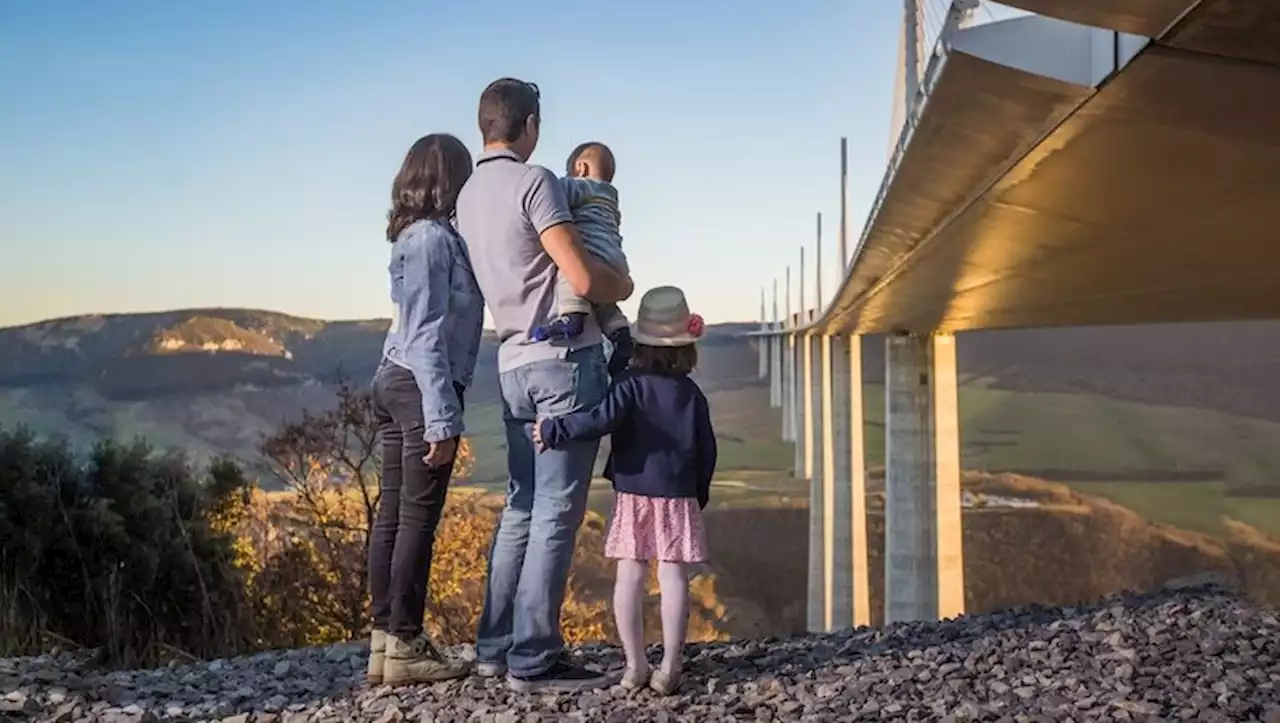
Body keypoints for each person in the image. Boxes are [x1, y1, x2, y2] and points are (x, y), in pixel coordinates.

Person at [455, 77, 634, 692]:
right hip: (562, 361)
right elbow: (581, 274)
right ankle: (534, 657)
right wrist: (624, 289)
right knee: (558, 510)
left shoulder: (467, 195)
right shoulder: (536, 182)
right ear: (528, 125)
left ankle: (493, 647)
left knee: (521, 508)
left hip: (508, 362)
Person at [532, 286, 718, 696]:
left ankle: (635, 665)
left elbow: (598, 420)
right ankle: (670, 666)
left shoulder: (629, 385)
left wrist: (553, 428)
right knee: (674, 578)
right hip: (678, 494)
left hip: (635, 493)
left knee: (629, 577)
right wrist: (695, 496)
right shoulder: (693, 395)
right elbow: (708, 450)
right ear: (685, 347)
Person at [366, 133, 484, 686]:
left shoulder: (422, 238)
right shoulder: (433, 241)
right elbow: (426, 334)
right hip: (419, 386)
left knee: (392, 516)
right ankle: (406, 643)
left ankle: (386, 642)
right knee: (415, 519)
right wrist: (441, 417)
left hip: (397, 379)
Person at [531, 142, 634, 378]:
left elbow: (548, 193)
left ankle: (572, 317)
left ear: (581, 168)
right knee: (603, 302)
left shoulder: (580, 186)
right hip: (615, 259)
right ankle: (620, 333)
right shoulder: (610, 196)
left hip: (593, 250)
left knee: (569, 269)